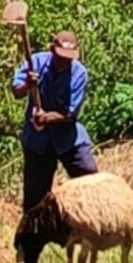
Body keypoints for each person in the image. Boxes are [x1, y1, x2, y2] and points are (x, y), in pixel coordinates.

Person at [11, 29, 98, 213]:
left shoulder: (79, 73)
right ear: (52, 50)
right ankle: (32, 237)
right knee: (35, 198)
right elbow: (16, 92)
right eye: (60, 57)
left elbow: (70, 113)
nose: (64, 62)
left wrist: (47, 117)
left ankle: (96, 225)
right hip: (37, 140)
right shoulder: (36, 62)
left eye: (69, 58)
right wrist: (28, 84)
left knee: (90, 179)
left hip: (68, 138)